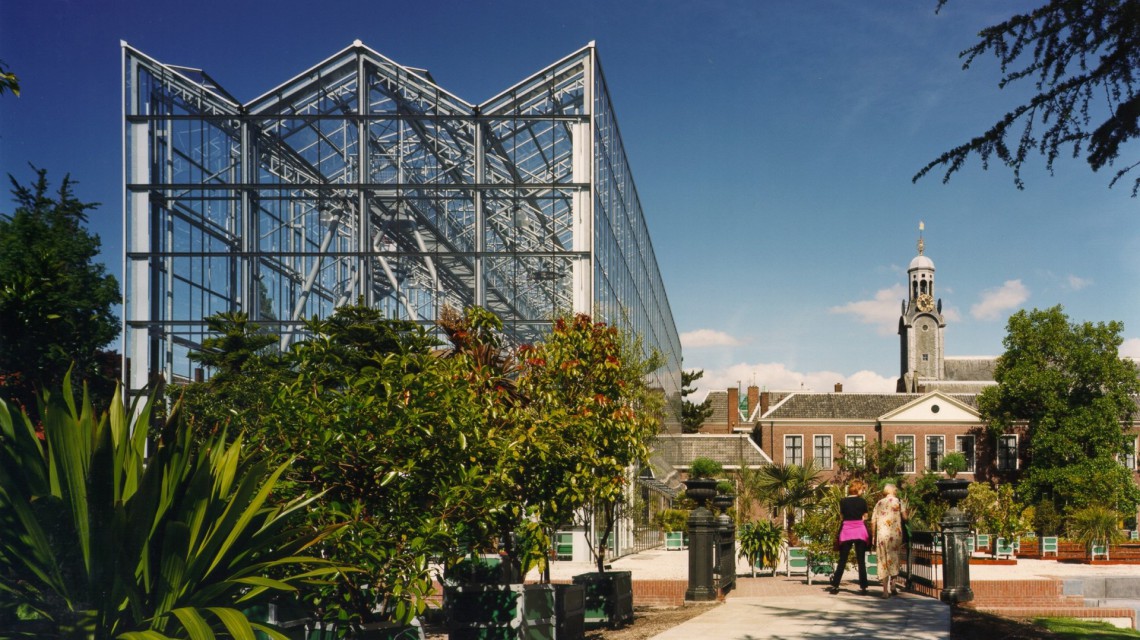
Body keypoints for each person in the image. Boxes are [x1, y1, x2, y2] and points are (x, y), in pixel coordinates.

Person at [828, 480, 870, 594]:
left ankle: (835, 586)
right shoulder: (862, 501)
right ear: (858, 489)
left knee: (842, 560)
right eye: (862, 489)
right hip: (860, 531)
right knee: (861, 560)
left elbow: (842, 516)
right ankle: (864, 587)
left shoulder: (843, 501)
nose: (863, 491)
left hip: (847, 531)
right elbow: (865, 516)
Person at [872, 483, 906, 598]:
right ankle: (893, 584)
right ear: (893, 491)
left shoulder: (879, 503)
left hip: (882, 535)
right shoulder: (899, 502)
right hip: (895, 534)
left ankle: (885, 591)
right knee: (894, 557)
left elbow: (873, 521)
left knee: (883, 560)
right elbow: (905, 517)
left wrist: (873, 536)